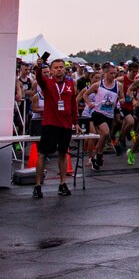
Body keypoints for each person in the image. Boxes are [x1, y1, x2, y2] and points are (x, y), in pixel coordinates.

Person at [32, 58, 80, 198]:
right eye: (56, 67)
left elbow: (73, 104)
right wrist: (39, 67)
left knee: (63, 153)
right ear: (51, 70)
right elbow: (39, 78)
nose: (59, 69)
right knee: (43, 154)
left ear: (65, 69)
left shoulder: (70, 84)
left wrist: (76, 122)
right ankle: (37, 185)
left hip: (65, 125)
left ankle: (63, 184)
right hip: (50, 124)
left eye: (61, 67)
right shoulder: (47, 83)